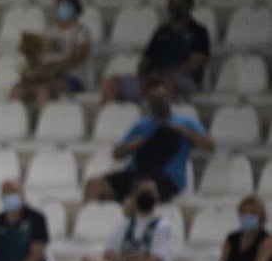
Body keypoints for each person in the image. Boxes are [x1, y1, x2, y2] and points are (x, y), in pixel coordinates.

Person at [84, 77, 213, 203]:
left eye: (162, 98)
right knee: (94, 185)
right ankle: (87, 222)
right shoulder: (142, 124)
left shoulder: (186, 122)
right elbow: (117, 154)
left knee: (144, 188)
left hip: (168, 178)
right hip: (137, 173)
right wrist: (137, 143)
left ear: (169, 98)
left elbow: (210, 145)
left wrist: (183, 131)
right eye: (154, 99)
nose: (159, 103)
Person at [102, 0, 210, 103]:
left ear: (189, 6)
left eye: (179, 3)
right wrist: (143, 78)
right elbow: (145, 61)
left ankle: (165, 119)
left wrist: (169, 75)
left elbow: (197, 61)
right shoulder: (161, 32)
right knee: (112, 84)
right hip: (153, 77)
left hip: (183, 80)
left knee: (166, 84)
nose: (175, 7)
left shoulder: (199, 31)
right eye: (172, 3)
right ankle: (108, 119)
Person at [82, 177, 173, 261]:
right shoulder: (126, 224)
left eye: (150, 193)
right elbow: (108, 256)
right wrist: (133, 259)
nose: (146, 196)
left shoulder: (162, 225)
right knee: (88, 260)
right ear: (134, 196)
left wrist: (122, 260)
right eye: (143, 192)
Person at [10, 0, 91, 108]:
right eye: (59, 4)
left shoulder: (81, 33)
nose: (61, 7)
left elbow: (77, 58)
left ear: (74, 6)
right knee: (18, 90)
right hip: (46, 75)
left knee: (42, 90)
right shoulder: (49, 32)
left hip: (71, 77)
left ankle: (42, 123)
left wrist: (52, 68)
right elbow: (39, 57)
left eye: (65, 4)